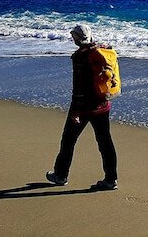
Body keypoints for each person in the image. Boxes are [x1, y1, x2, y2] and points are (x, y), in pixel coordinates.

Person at [46, 24, 118, 190]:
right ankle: (111, 179)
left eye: (74, 37)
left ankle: (60, 175)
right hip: (103, 104)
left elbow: (79, 86)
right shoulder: (102, 50)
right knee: (105, 142)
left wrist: (76, 111)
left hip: (85, 107)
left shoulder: (80, 57)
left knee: (68, 140)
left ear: (77, 38)